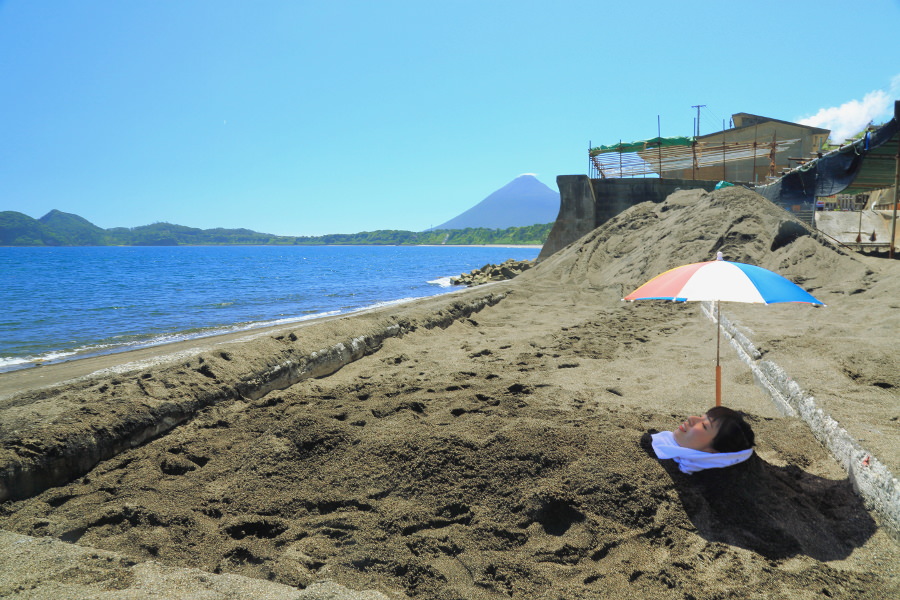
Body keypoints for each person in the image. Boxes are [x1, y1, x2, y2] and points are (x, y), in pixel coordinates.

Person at [650, 406, 755, 474]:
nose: (691, 418)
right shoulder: (660, 443)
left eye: (704, 425)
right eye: (701, 416)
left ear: (712, 452)